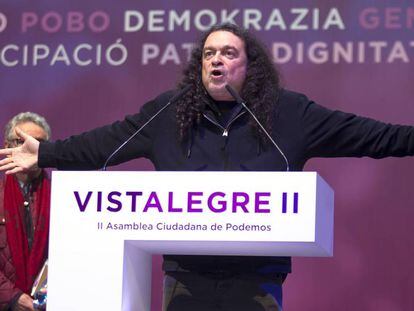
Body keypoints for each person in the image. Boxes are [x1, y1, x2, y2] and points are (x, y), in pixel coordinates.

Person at [0, 23, 413, 311]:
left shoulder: (289, 115)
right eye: (209, 53)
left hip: (258, 281)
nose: (216, 60)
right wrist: (47, 154)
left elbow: (371, 136)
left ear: (249, 66)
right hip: (185, 279)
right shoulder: (168, 113)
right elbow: (105, 143)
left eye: (228, 53)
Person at [0, 112, 51, 311]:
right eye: (19, 141)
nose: (28, 148)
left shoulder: (63, 198)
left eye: (37, 143)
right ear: (7, 146)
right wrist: (15, 299)